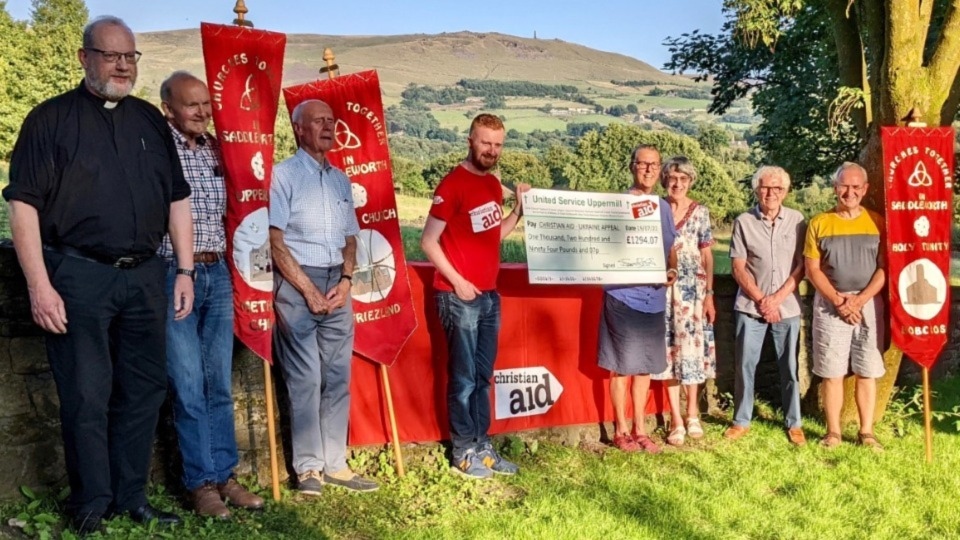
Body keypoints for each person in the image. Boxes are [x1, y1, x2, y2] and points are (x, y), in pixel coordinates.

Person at [3, 16, 193, 534]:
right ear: (85, 57)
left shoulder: (151, 122)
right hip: (79, 277)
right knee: (86, 394)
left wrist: (185, 270)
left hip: (145, 278)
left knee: (144, 390)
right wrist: (40, 286)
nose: (123, 66)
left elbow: (177, 197)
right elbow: (23, 208)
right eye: (112, 56)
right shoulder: (49, 120)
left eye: (130, 57)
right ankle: (91, 502)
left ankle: (132, 497)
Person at [158, 71, 264, 518]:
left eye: (206, 103)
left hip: (217, 270)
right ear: (169, 109)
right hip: (170, 271)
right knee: (187, 385)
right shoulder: (158, 149)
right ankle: (199, 483)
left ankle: (224, 475)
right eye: (191, 105)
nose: (202, 112)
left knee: (219, 382)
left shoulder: (220, 148)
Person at [270, 99, 378, 496]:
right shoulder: (282, 176)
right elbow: (275, 240)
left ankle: (336, 463)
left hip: (338, 285)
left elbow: (351, 236)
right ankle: (309, 468)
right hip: (299, 286)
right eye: (319, 121)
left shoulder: (340, 179)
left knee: (338, 377)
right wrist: (309, 290)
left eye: (332, 121)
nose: (329, 127)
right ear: (298, 129)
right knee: (306, 377)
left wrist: (348, 279)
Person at [420, 113, 530, 479]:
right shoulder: (453, 184)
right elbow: (428, 241)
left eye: (498, 144)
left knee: (483, 377)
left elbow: (493, 234)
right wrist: (458, 281)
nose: (492, 150)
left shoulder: (492, 185)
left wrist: (517, 210)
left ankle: (483, 446)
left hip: (489, 296)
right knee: (464, 378)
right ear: (470, 140)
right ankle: (463, 450)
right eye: (485, 142)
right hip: (458, 296)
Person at [598, 144, 677, 454]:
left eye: (654, 165)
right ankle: (620, 430)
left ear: (660, 170)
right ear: (632, 167)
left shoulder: (664, 208)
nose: (648, 170)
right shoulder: (616, 205)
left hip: (654, 299)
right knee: (621, 367)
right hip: (623, 296)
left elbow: (671, 248)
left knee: (644, 367)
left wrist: (671, 270)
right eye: (643, 164)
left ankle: (641, 430)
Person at [804, 162, 886, 450]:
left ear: (865, 189)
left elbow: (884, 268)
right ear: (835, 188)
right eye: (843, 186)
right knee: (831, 370)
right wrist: (839, 300)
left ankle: (866, 432)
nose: (849, 192)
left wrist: (860, 301)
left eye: (855, 187)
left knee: (867, 369)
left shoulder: (878, 222)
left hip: (869, 304)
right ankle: (833, 432)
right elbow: (812, 270)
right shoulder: (819, 223)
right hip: (829, 304)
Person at [725, 166, 806, 445]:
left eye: (777, 188)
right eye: (765, 187)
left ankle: (794, 423)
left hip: (788, 306)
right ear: (756, 189)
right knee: (745, 365)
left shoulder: (797, 221)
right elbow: (737, 266)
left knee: (790, 367)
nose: (770, 193)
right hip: (750, 305)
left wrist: (778, 299)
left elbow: (801, 266)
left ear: (785, 191)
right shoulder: (743, 221)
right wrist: (762, 299)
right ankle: (741, 420)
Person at [655, 156, 716, 447]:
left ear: (690, 181)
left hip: (693, 293)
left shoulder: (701, 212)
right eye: (672, 178)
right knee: (669, 353)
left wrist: (710, 296)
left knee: (693, 352)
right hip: (663, 292)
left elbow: (707, 255)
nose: (677, 184)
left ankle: (693, 413)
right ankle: (675, 418)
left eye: (683, 179)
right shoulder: (655, 209)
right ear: (664, 180)